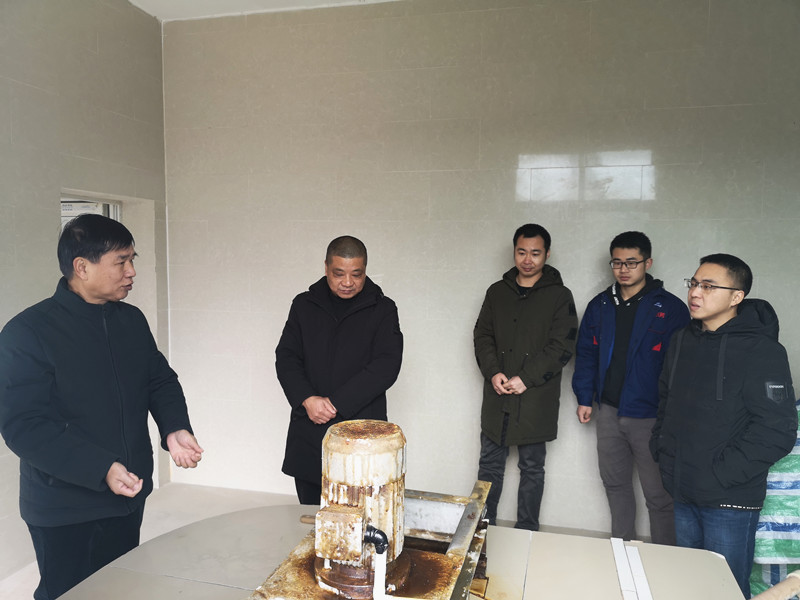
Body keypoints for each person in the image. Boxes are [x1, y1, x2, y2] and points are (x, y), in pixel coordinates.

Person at [0, 214, 203, 600]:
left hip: (127, 494)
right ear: (82, 267)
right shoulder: (27, 333)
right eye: (121, 261)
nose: (132, 271)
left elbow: (158, 380)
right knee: (68, 594)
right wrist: (101, 468)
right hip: (65, 506)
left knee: (119, 590)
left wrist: (174, 427)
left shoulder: (131, 320)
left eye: (132, 259)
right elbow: (24, 425)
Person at [651, 253, 796, 598]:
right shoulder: (681, 340)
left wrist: (721, 473)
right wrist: (663, 452)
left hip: (729, 498)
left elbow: (777, 430)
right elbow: (666, 401)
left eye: (708, 286)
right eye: (693, 283)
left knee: (724, 589)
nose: (695, 293)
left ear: (736, 297)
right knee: (689, 585)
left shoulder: (763, 350)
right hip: (682, 489)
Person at [572, 231, 689, 544]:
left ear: (647, 263)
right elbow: (586, 354)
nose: (623, 269)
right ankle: (622, 548)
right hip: (608, 411)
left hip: (650, 415)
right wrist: (585, 398)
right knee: (615, 484)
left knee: (658, 493)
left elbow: (681, 367)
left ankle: (665, 555)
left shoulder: (671, 308)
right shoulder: (600, 305)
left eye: (632, 262)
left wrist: (673, 413)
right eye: (617, 262)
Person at [275, 235, 403, 505]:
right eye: (339, 273)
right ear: (326, 268)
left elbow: (386, 365)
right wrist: (307, 399)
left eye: (356, 274)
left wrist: (336, 403)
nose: (347, 282)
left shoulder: (383, 309)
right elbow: (286, 357)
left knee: (362, 516)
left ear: (365, 270)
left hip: (361, 431)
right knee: (312, 515)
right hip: (310, 426)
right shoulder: (304, 305)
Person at [473, 223, 577, 530]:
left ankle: (528, 530)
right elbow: (482, 335)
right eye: (522, 252)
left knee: (532, 468)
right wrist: (493, 372)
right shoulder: (497, 292)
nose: (527, 260)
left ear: (547, 254)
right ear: (514, 252)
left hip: (535, 399)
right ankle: (482, 530)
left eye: (535, 253)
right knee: (489, 465)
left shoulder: (559, 296)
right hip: (498, 396)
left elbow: (562, 346)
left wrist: (526, 378)